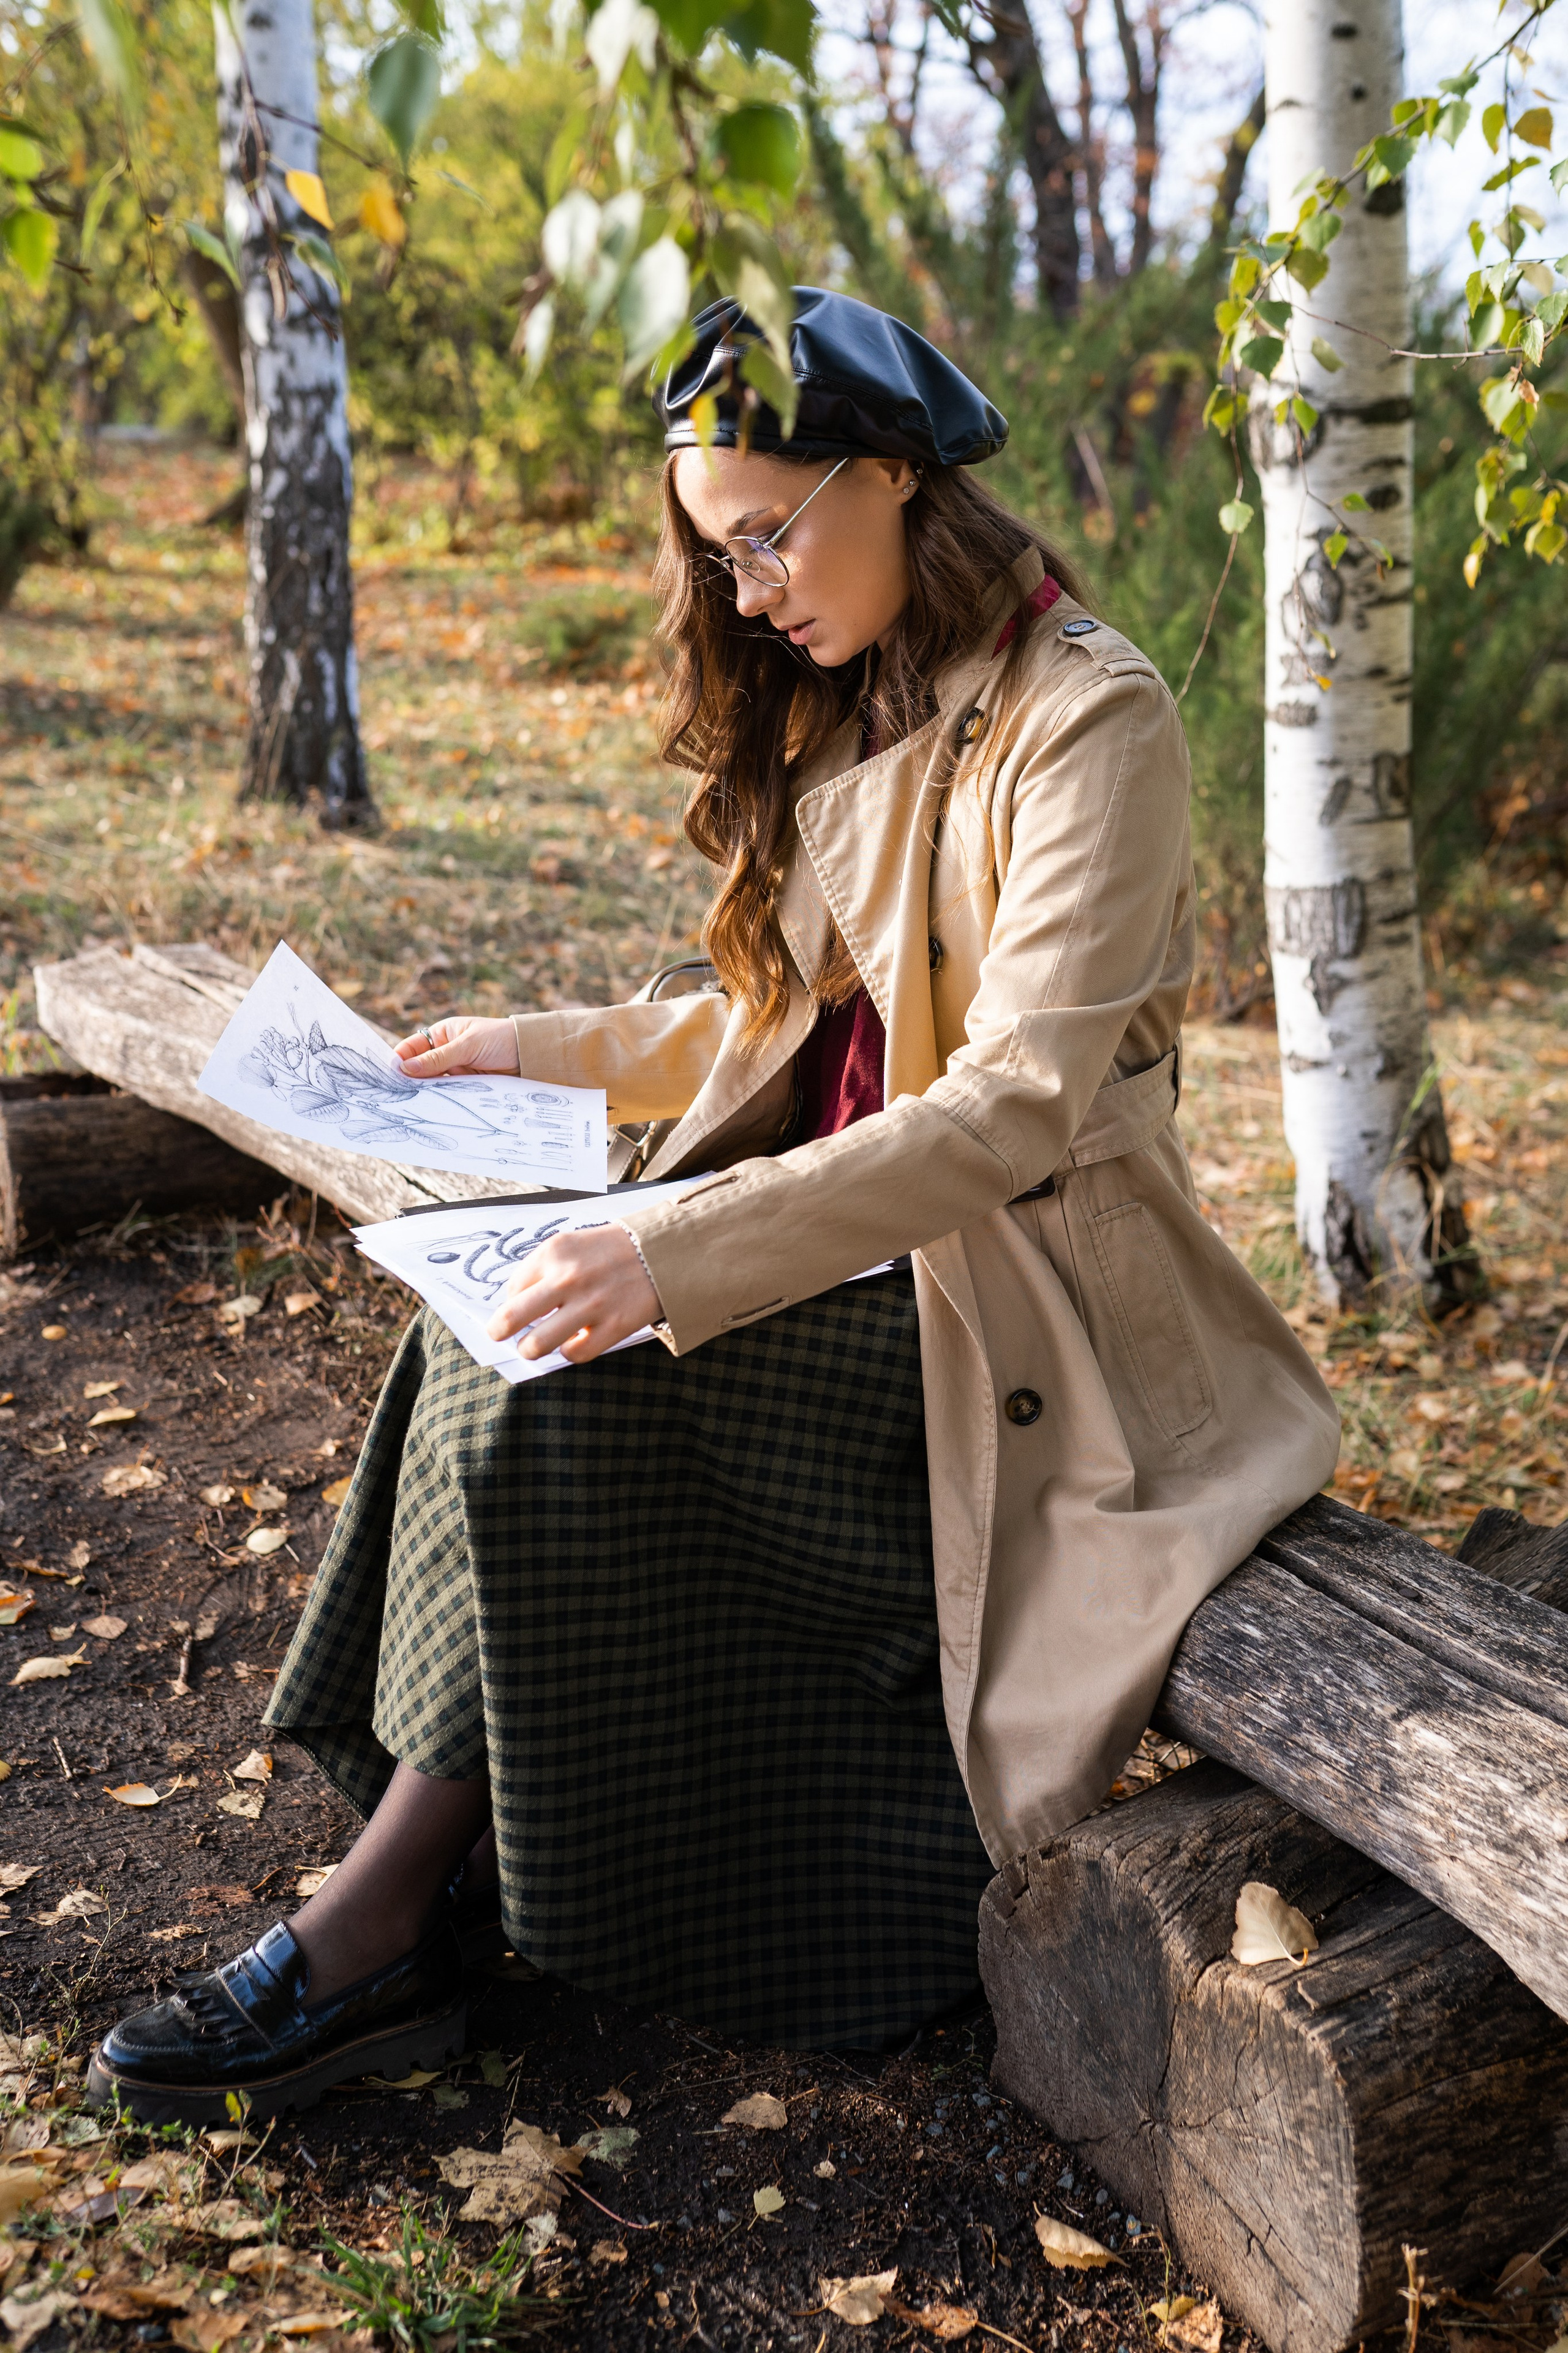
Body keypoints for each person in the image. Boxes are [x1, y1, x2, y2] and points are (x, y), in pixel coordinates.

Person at [87, 288, 1338, 2124]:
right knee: (483, 1350)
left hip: (1009, 1314)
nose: (747, 591)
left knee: (559, 1386)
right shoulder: (880, 687)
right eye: (717, 550)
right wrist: (521, 1047)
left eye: (765, 533)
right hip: (846, 1254)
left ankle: (383, 1926)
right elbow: (780, 1013)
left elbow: (1005, 1107)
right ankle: (419, 1899)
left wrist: (667, 1245)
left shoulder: (1094, 721)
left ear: (896, 475)